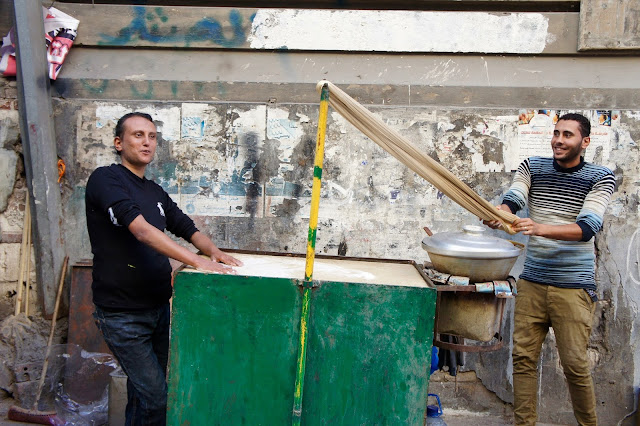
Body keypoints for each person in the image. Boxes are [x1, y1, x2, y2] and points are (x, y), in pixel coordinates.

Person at [85, 112, 242, 425]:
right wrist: (195, 260)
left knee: (143, 394)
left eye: (152, 136)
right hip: (122, 313)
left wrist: (214, 252)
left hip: (156, 309)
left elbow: (183, 223)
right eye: (138, 135)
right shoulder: (106, 179)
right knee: (156, 398)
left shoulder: (154, 191)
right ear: (119, 143)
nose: (147, 142)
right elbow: (141, 230)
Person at [485, 113, 615, 426]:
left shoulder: (601, 177)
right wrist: (498, 215)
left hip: (573, 287)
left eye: (567, 135)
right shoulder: (533, 166)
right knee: (524, 360)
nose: (558, 140)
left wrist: (539, 228)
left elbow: (587, 228)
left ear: (584, 142)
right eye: (556, 133)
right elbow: (512, 201)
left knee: (574, 365)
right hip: (532, 283)